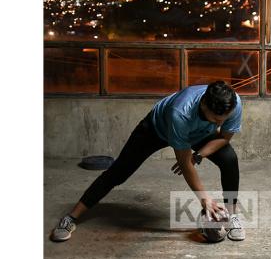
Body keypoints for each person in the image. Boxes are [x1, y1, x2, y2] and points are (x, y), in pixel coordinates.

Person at [50, 81, 245, 242]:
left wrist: (198, 155)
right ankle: (71, 217)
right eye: (215, 120)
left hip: (198, 133)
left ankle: (232, 215)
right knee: (118, 172)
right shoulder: (180, 113)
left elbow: (224, 138)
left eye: (223, 120)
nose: (220, 124)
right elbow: (185, 165)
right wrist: (205, 199)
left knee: (229, 159)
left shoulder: (233, 103)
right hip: (156, 130)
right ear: (203, 105)